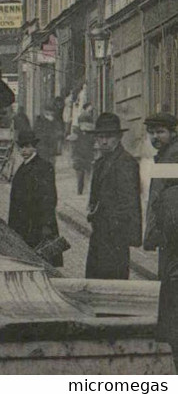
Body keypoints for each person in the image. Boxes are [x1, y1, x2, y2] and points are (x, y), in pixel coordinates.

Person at [85, 111, 142, 280]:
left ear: (118, 137)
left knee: (113, 282)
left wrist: (120, 230)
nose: (103, 141)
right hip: (100, 232)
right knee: (95, 281)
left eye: (108, 137)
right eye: (100, 137)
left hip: (115, 235)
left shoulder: (126, 162)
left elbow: (130, 201)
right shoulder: (101, 162)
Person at [143, 111, 178, 364]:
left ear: (173, 132)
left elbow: (168, 201)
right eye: (152, 133)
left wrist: (157, 233)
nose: (156, 137)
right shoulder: (164, 156)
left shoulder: (173, 156)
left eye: (161, 132)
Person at [8, 129, 63, 267]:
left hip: (37, 224)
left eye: (27, 146)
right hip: (22, 224)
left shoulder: (44, 167)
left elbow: (50, 198)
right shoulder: (22, 168)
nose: (23, 151)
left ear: (34, 146)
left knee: (40, 261)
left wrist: (46, 225)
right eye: (21, 147)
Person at [70, 103, 95, 195]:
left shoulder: (91, 133)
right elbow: (73, 142)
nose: (86, 126)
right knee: (80, 173)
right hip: (79, 155)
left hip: (87, 154)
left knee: (88, 171)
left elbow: (93, 142)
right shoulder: (77, 132)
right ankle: (80, 190)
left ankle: (88, 189)